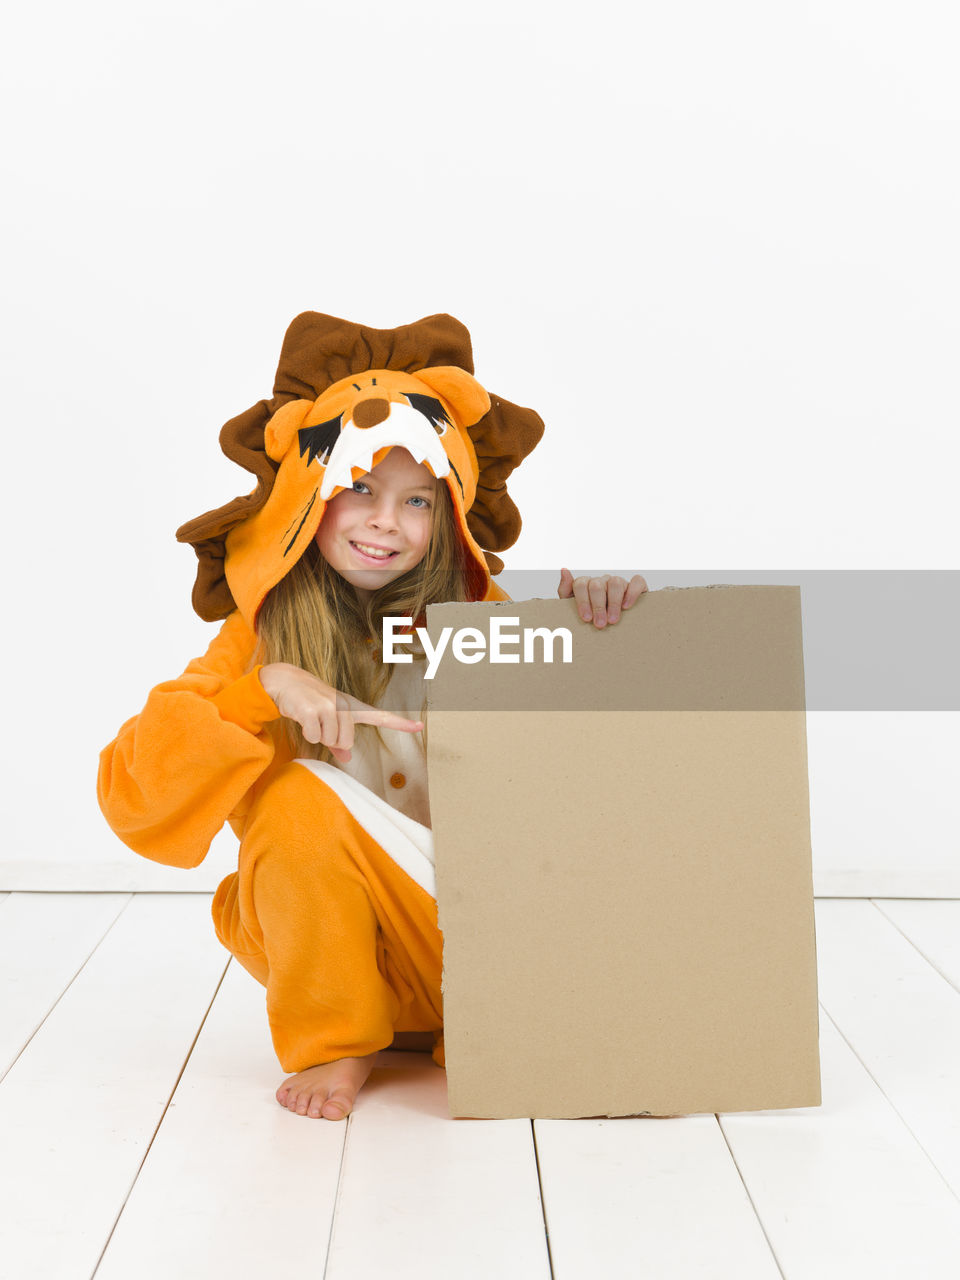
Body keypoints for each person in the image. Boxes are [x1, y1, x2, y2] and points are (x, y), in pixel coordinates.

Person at [97, 311, 647, 1122]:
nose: (386, 520)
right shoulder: (256, 640)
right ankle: (340, 1040)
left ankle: (503, 1024)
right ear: (304, 499)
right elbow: (133, 798)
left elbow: (597, 786)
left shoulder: (483, 623)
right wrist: (265, 688)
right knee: (292, 803)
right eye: (357, 488)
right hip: (326, 953)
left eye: (418, 499)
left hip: (468, 944)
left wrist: (602, 633)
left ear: (449, 515)